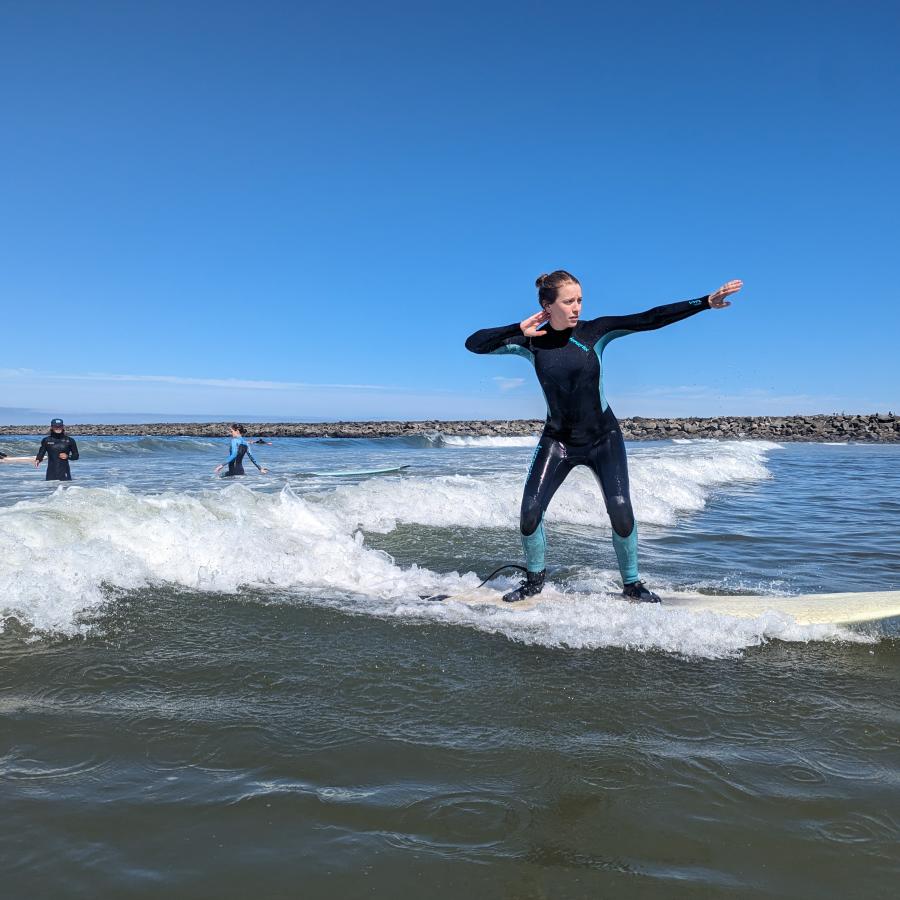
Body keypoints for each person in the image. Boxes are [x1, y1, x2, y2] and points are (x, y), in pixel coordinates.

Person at [465, 271, 742, 603]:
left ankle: (632, 584)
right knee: (529, 512)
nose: (577, 307)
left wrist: (704, 303)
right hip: (558, 441)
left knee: (621, 510)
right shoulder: (530, 341)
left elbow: (650, 318)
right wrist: (517, 329)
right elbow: (474, 344)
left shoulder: (595, 331)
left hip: (602, 439)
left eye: (579, 299)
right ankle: (535, 580)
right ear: (546, 306)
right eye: (569, 301)